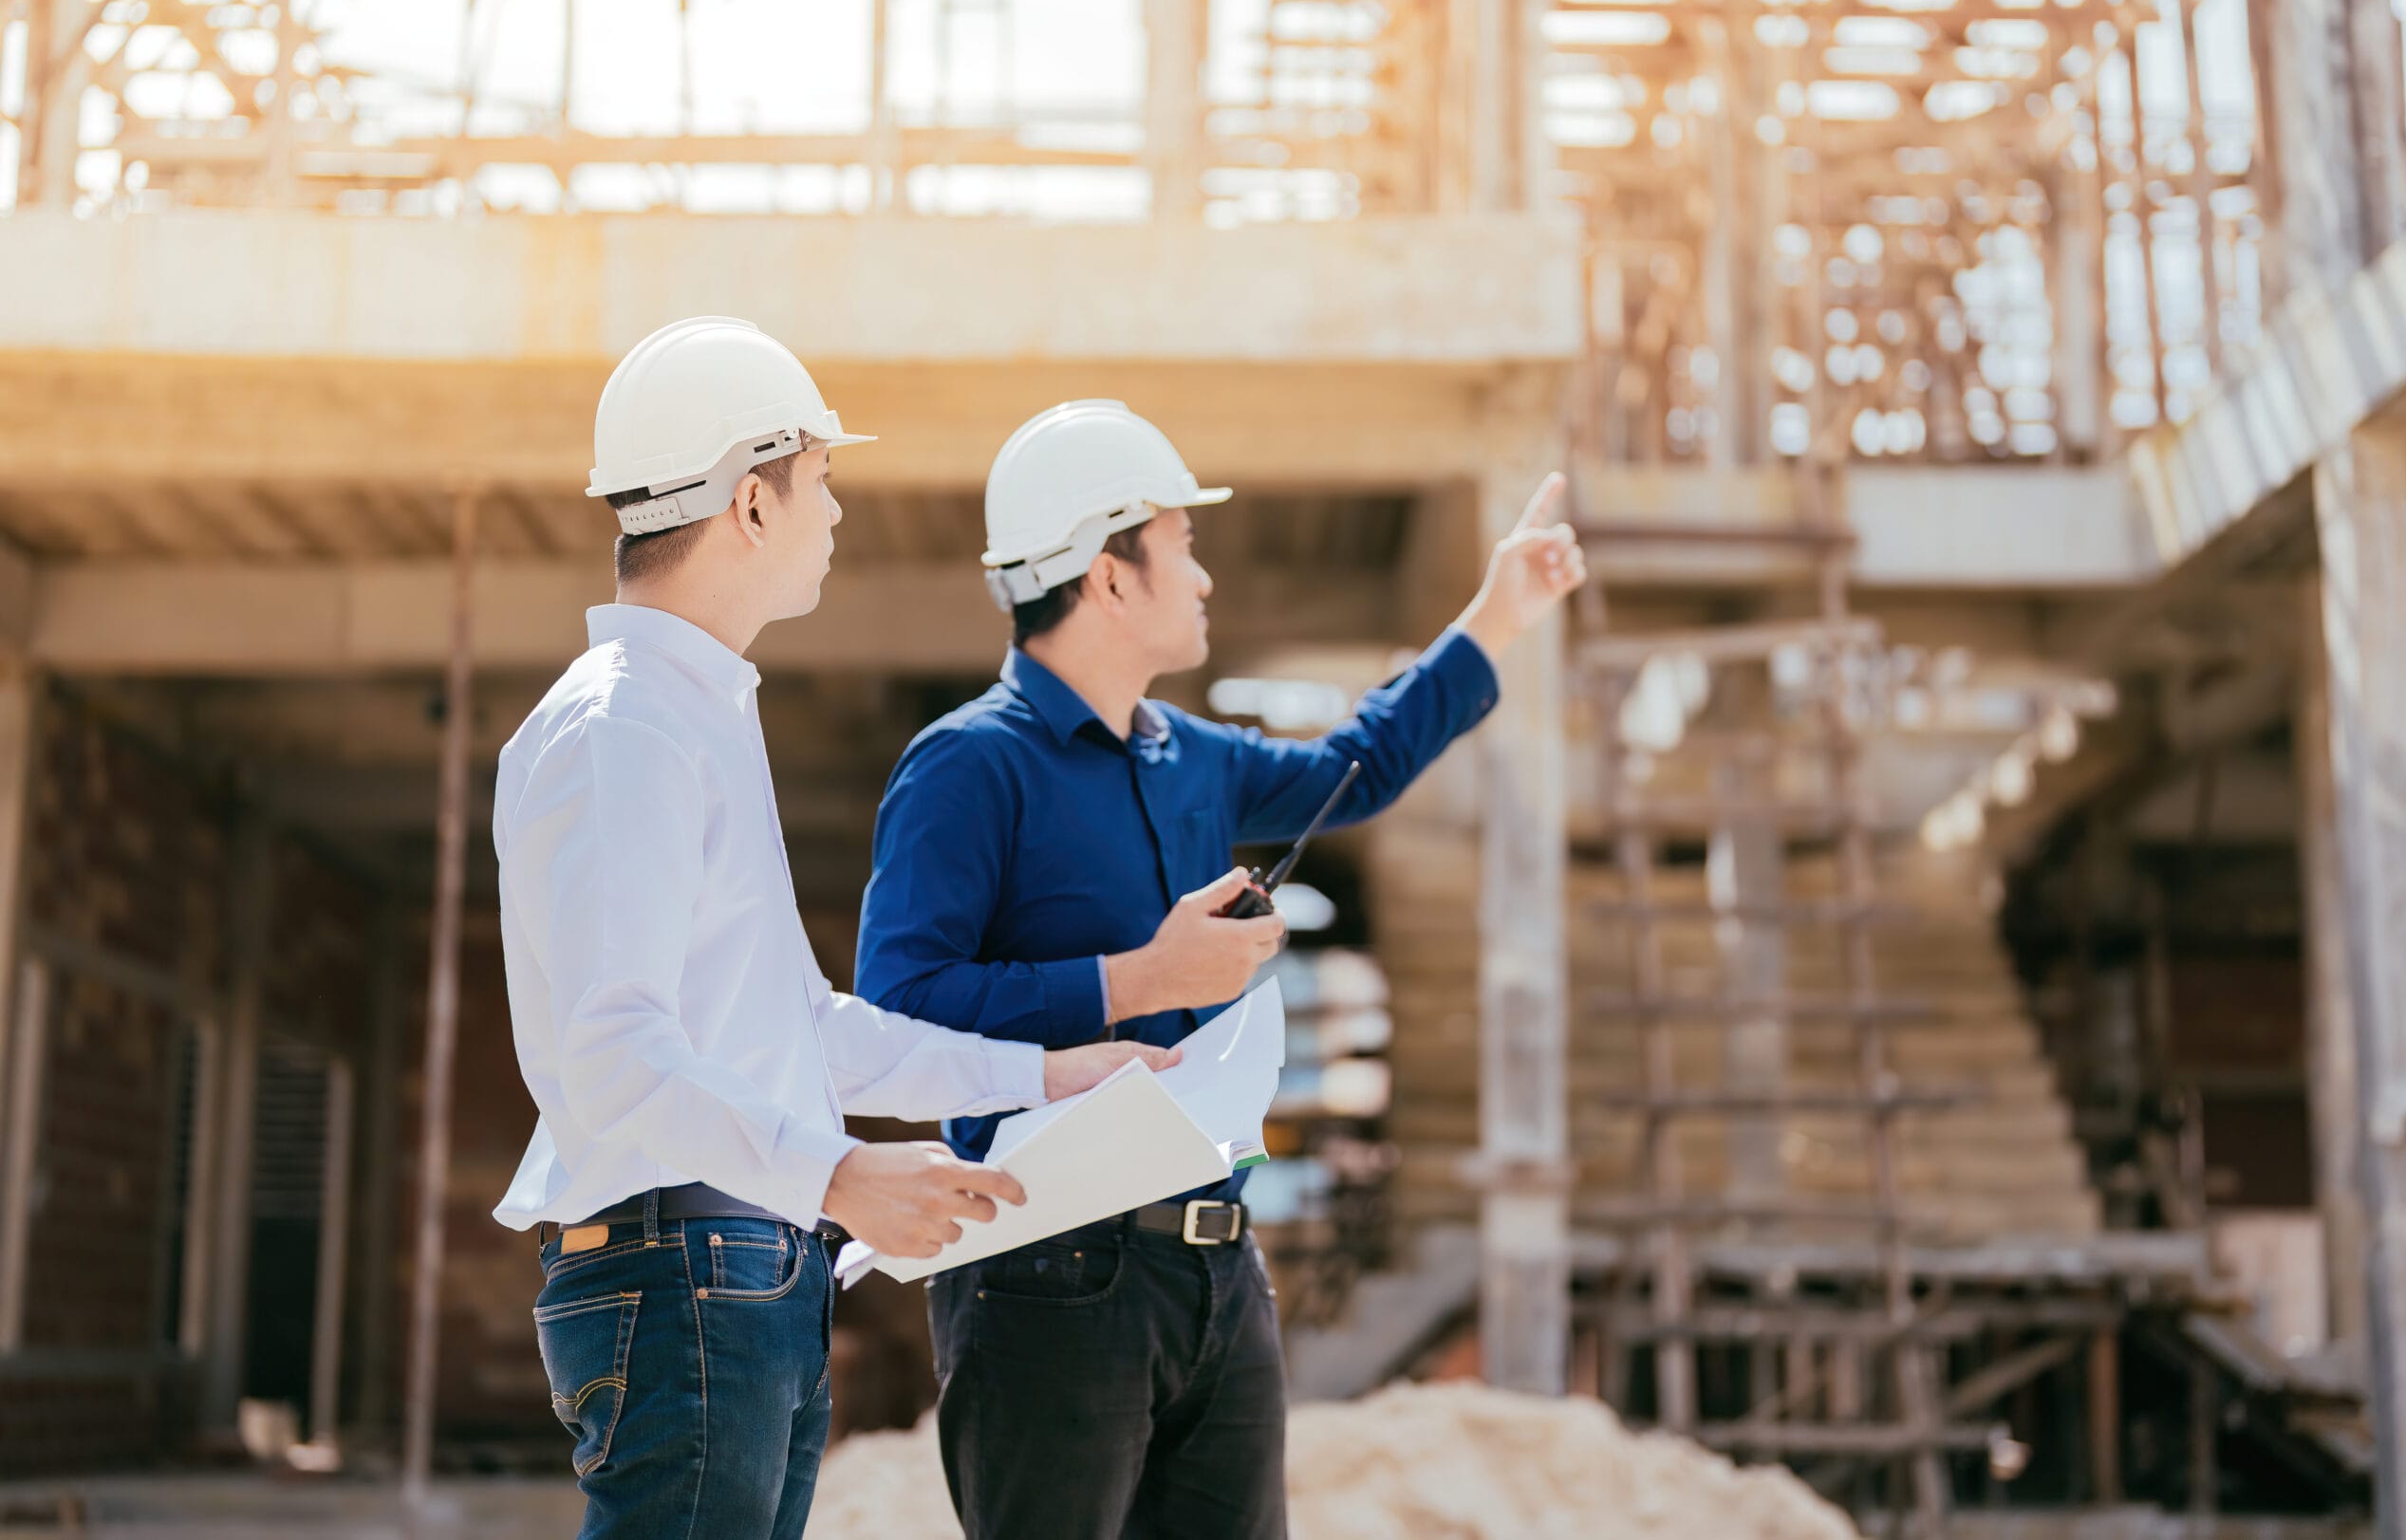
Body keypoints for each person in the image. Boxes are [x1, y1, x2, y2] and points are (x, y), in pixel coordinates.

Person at [854, 398, 1586, 1539]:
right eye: (1181, 546)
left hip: (1213, 1272)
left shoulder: (1186, 754)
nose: (1202, 578)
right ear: (1108, 575)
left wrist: (1498, 613)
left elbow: (1357, 764)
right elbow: (896, 1013)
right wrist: (1132, 978)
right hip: (1046, 1274)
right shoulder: (964, 769)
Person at [492, 325, 1169, 1540]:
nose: (839, 511)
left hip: (734, 1273)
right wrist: (845, 1175)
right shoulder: (628, 728)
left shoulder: (688, 712)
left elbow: (804, 1029)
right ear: (753, 500)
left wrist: (1050, 1073)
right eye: (823, 478)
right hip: (689, 1277)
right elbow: (611, 1052)